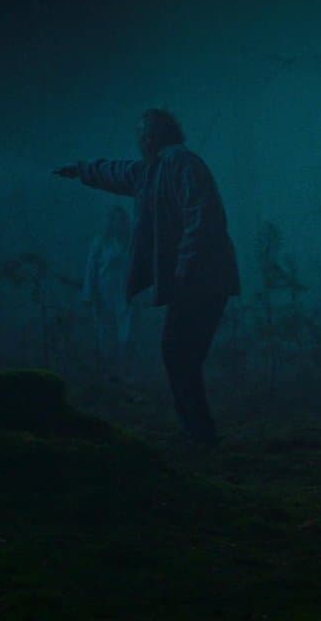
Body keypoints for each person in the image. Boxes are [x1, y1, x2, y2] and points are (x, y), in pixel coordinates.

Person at [54, 109, 241, 446]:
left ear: (155, 136)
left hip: (204, 279)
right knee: (180, 353)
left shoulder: (182, 163)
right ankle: (198, 432)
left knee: (177, 351)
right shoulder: (152, 170)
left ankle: (198, 433)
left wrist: (184, 267)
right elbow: (117, 172)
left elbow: (201, 215)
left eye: (144, 133)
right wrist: (82, 170)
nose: (140, 140)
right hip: (197, 280)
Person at [82, 206, 136, 386]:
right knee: (105, 333)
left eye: (121, 219)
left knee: (126, 333)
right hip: (104, 293)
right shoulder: (100, 242)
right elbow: (91, 269)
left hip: (125, 292)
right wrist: (88, 294)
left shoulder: (131, 242)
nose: (117, 223)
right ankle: (107, 373)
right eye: (114, 219)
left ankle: (124, 372)